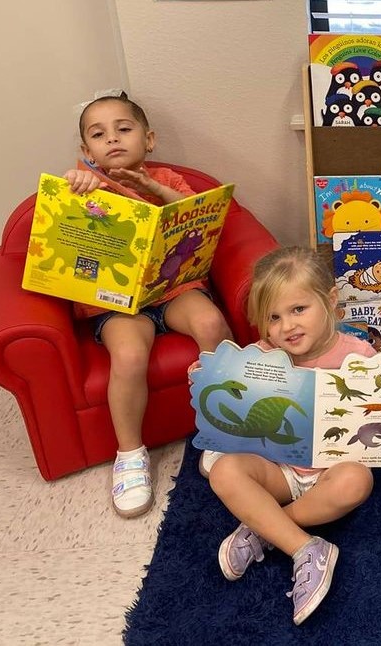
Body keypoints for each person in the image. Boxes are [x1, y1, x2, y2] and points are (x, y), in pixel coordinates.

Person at [204, 246, 381, 625]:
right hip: (281, 471)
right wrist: (208, 378)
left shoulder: (360, 354)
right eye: (273, 317)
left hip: (333, 473)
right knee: (223, 472)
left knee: (357, 481)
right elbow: (231, 401)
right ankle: (305, 546)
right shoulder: (260, 356)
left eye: (298, 310)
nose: (286, 326)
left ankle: (266, 527)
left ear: (330, 301)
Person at [64, 92, 233, 518]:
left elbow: (198, 215)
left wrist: (150, 187)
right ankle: (130, 454)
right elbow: (66, 231)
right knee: (130, 353)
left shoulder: (170, 180)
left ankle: (229, 424)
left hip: (175, 290)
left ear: (149, 138)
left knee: (212, 323)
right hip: (120, 304)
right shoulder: (84, 184)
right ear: (88, 151)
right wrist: (79, 187)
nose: (113, 139)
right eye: (98, 135)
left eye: (124, 128)